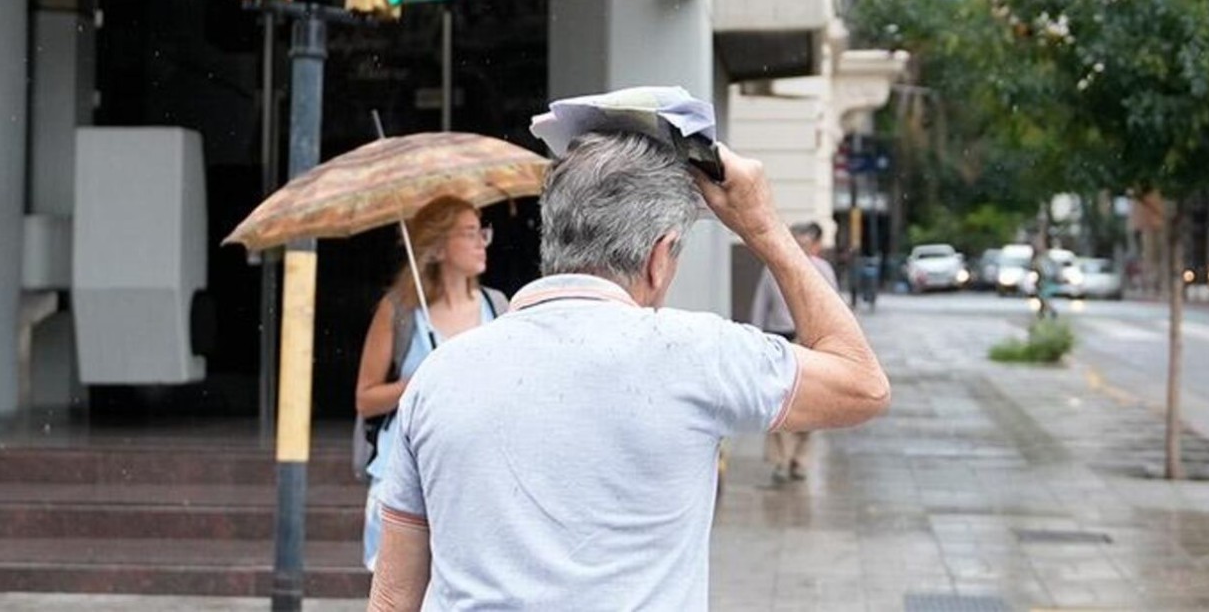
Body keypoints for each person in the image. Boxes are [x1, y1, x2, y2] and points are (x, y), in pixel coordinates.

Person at [369, 133, 889, 610]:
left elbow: (394, 596)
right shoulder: (697, 354)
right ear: (660, 258)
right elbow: (862, 384)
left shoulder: (438, 375)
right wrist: (763, 227)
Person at [354, 195, 508, 571]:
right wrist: (416, 384)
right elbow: (365, 399)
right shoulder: (399, 312)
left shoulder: (499, 307)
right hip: (406, 475)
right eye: (469, 233)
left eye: (482, 232)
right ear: (438, 247)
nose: (480, 242)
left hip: (479, 472)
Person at [750, 221, 838, 484]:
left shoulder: (822, 270)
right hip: (779, 338)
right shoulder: (772, 269)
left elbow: (835, 307)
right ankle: (779, 461)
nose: (799, 246)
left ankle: (799, 459)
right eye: (795, 240)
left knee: (810, 402)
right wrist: (755, 339)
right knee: (776, 401)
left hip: (810, 340)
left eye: (805, 242)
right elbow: (760, 305)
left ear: (815, 245)